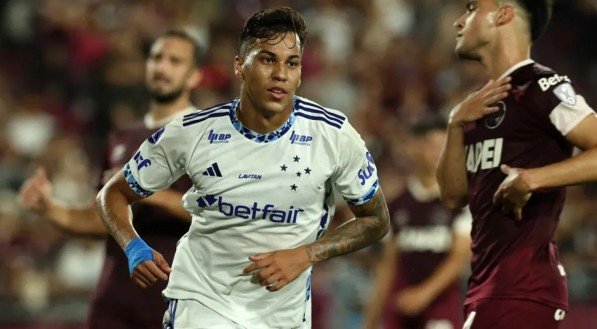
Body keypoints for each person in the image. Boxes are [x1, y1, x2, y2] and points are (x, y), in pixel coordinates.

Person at [96, 7, 390, 329]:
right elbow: (113, 194)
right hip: (202, 302)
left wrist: (307, 254)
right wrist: (133, 245)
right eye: (267, 59)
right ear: (240, 66)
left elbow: (376, 220)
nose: (281, 73)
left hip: (283, 315)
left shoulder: (332, 135)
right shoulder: (192, 133)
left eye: (291, 63)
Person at [19, 29, 203, 328]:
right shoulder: (122, 138)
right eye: (157, 58)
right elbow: (100, 221)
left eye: (175, 60)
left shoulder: (207, 135)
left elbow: (224, 216)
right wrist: (48, 207)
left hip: (177, 297)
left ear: (195, 76)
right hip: (115, 297)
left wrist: (147, 191)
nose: (163, 67)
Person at [436, 1, 597, 328]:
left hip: (520, 286)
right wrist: (455, 125)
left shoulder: (540, 86)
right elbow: (453, 196)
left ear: (503, 14)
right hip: (490, 286)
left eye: (471, 8)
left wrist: (531, 179)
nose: (458, 21)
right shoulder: (480, 103)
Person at [363, 117, 471, 329]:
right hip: (400, 304)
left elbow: (460, 257)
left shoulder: (458, 201)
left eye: (443, 145)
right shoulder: (397, 204)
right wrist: (371, 319)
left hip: (441, 305)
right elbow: (388, 264)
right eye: (430, 144)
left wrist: (424, 294)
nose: (437, 152)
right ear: (413, 148)